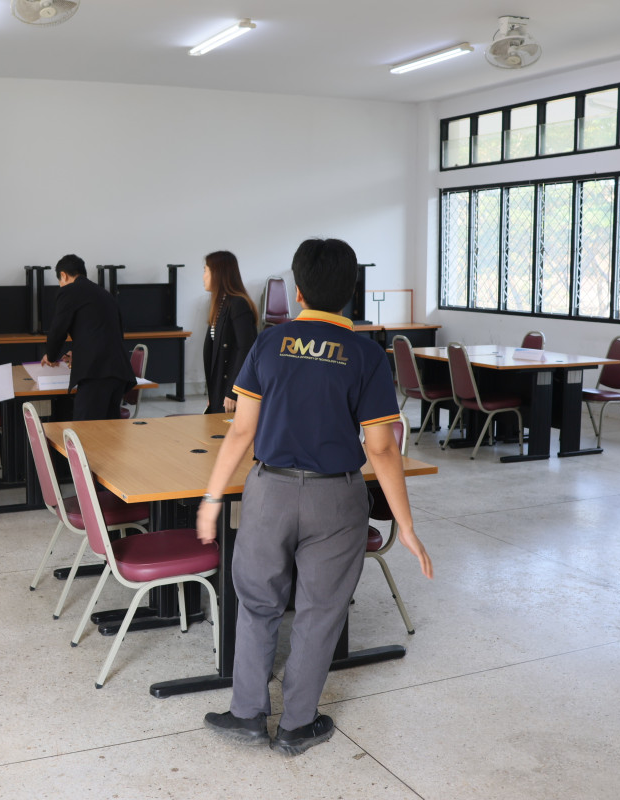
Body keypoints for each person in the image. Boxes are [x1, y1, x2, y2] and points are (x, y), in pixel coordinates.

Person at [197, 238, 434, 756]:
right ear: (350, 292)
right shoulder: (366, 355)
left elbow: (241, 432)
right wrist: (407, 526)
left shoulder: (268, 343)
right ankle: (297, 725)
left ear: (299, 291)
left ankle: (247, 714)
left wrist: (212, 498)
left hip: (269, 491)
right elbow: (382, 449)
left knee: (257, 603)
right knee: (320, 610)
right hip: (336, 499)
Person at [41, 254, 135, 421]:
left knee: (85, 429)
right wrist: (79, 353)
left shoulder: (69, 291)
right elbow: (107, 332)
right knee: (109, 429)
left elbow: (58, 330)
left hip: (96, 373)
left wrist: (51, 356)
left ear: (63, 275)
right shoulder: (104, 293)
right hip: (118, 372)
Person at [202, 251, 258, 415]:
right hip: (219, 387)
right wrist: (213, 393)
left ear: (218, 274)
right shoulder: (220, 303)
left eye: (206, 271)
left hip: (231, 389)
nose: (203, 276)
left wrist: (233, 391)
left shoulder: (238, 304)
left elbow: (246, 349)